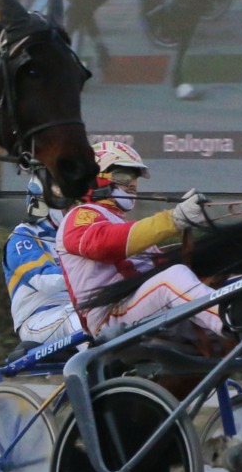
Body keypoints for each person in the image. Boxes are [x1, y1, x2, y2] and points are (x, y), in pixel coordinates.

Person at [55, 140, 221, 339]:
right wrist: (175, 219)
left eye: (135, 178)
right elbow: (102, 244)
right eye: (124, 176)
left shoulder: (120, 223)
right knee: (172, 278)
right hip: (108, 317)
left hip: (136, 305)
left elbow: (160, 266)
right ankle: (229, 321)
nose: (133, 184)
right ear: (96, 179)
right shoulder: (81, 215)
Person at [4, 178, 78, 346]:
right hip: (38, 318)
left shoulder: (79, 235)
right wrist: (90, 271)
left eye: (79, 204)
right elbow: (45, 280)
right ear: (42, 205)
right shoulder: (22, 238)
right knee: (82, 319)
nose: (75, 211)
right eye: (68, 205)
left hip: (82, 307)